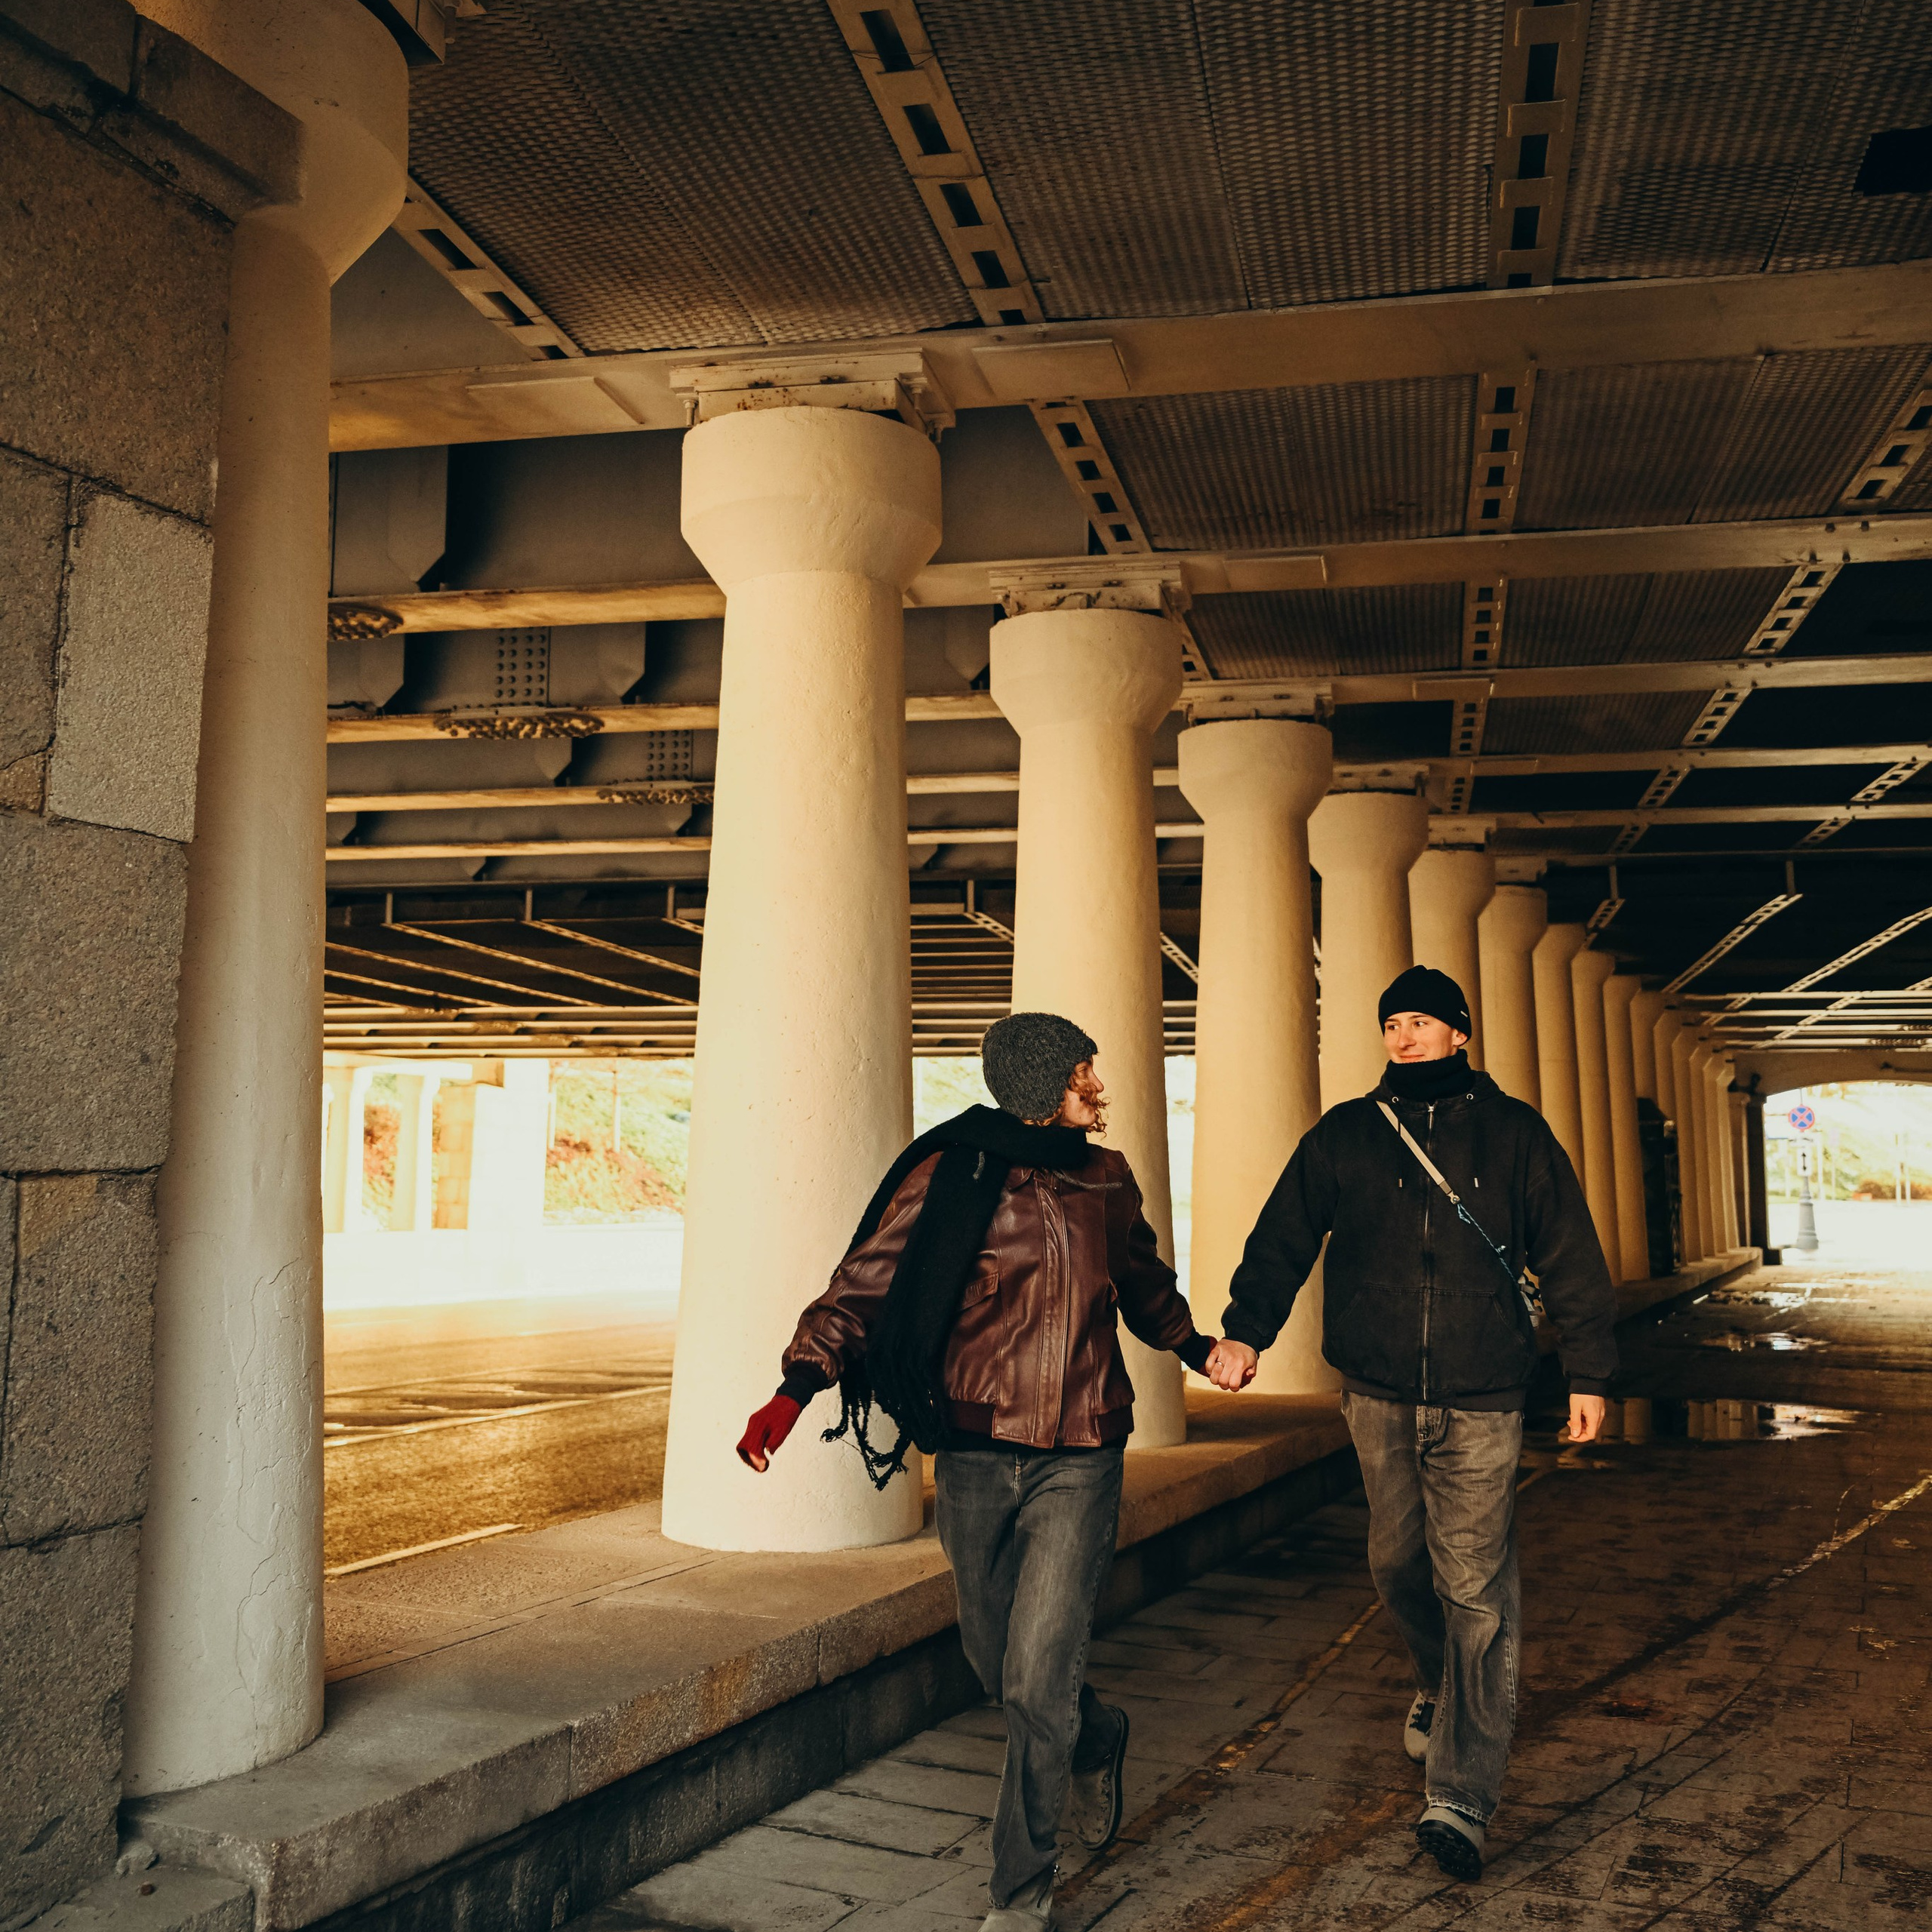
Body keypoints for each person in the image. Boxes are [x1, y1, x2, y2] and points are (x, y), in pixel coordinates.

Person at [736, 1011, 1221, 1932]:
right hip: (972, 1449)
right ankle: (1098, 1733)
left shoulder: (1107, 1178)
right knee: (993, 1659)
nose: (1096, 1082)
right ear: (1040, 1084)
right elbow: (862, 1286)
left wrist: (1196, 1345)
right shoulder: (954, 1172)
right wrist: (793, 1390)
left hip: (1082, 1451)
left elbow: (1144, 1283)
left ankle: (1021, 1890)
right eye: (1082, 1070)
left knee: (1039, 1679)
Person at [1204, 964, 1617, 1883]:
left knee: (1475, 1587)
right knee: (1396, 1564)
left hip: (1484, 1392)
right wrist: (1244, 1330)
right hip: (1379, 1389)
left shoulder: (1514, 1135)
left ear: (1461, 1033)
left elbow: (1571, 1250)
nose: (1404, 1036)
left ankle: (1461, 1796)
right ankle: (1437, 1683)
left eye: (1422, 1021)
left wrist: (1589, 1370)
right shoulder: (1348, 1134)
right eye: (1392, 1022)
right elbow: (1282, 1235)